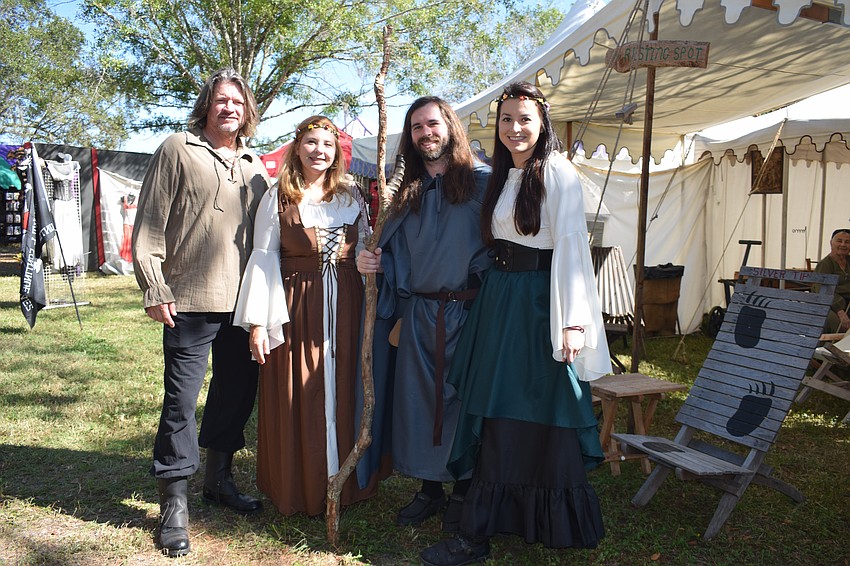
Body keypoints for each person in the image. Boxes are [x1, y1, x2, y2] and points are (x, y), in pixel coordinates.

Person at [420, 82, 612, 566]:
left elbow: (570, 249)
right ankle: (486, 518)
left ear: (542, 122)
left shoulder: (557, 173)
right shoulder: (508, 175)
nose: (515, 128)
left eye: (524, 118)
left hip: (537, 306)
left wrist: (572, 323)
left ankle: (479, 530)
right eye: (506, 119)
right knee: (495, 404)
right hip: (501, 302)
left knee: (525, 405)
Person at [132, 68, 269, 558]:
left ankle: (219, 480)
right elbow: (149, 226)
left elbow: (266, 243)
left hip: (243, 304)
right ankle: (174, 501)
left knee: (235, 395)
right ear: (206, 105)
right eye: (219, 100)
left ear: (247, 110)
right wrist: (155, 287)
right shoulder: (177, 148)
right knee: (181, 403)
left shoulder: (256, 167)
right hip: (187, 301)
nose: (228, 108)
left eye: (237, 101)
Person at [355, 97, 491, 532]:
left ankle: (465, 490)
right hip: (417, 317)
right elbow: (390, 249)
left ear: (450, 127)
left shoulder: (484, 183)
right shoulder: (403, 193)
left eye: (432, 124)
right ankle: (431, 490)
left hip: (469, 314)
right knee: (419, 404)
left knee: (462, 404)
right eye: (416, 127)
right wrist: (371, 261)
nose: (425, 133)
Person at [233, 115, 379, 515]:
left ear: (337, 154)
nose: (320, 151)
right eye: (311, 143)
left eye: (328, 145)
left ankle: (345, 483)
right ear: (297, 148)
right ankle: (303, 485)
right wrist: (259, 323)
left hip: (347, 309)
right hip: (298, 308)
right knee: (300, 390)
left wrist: (370, 259)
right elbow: (262, 259)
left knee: (345, 386)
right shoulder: (279, 195)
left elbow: (367, 247)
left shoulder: (351, 197)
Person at [815, 228, 850, 333]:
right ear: (831, 243)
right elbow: (822, 290)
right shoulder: (825, 264)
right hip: (829, 303)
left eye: (847, 242)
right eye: (839, 241)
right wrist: (840, 312)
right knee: (839, 325)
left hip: (847, 303)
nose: (843, 245)